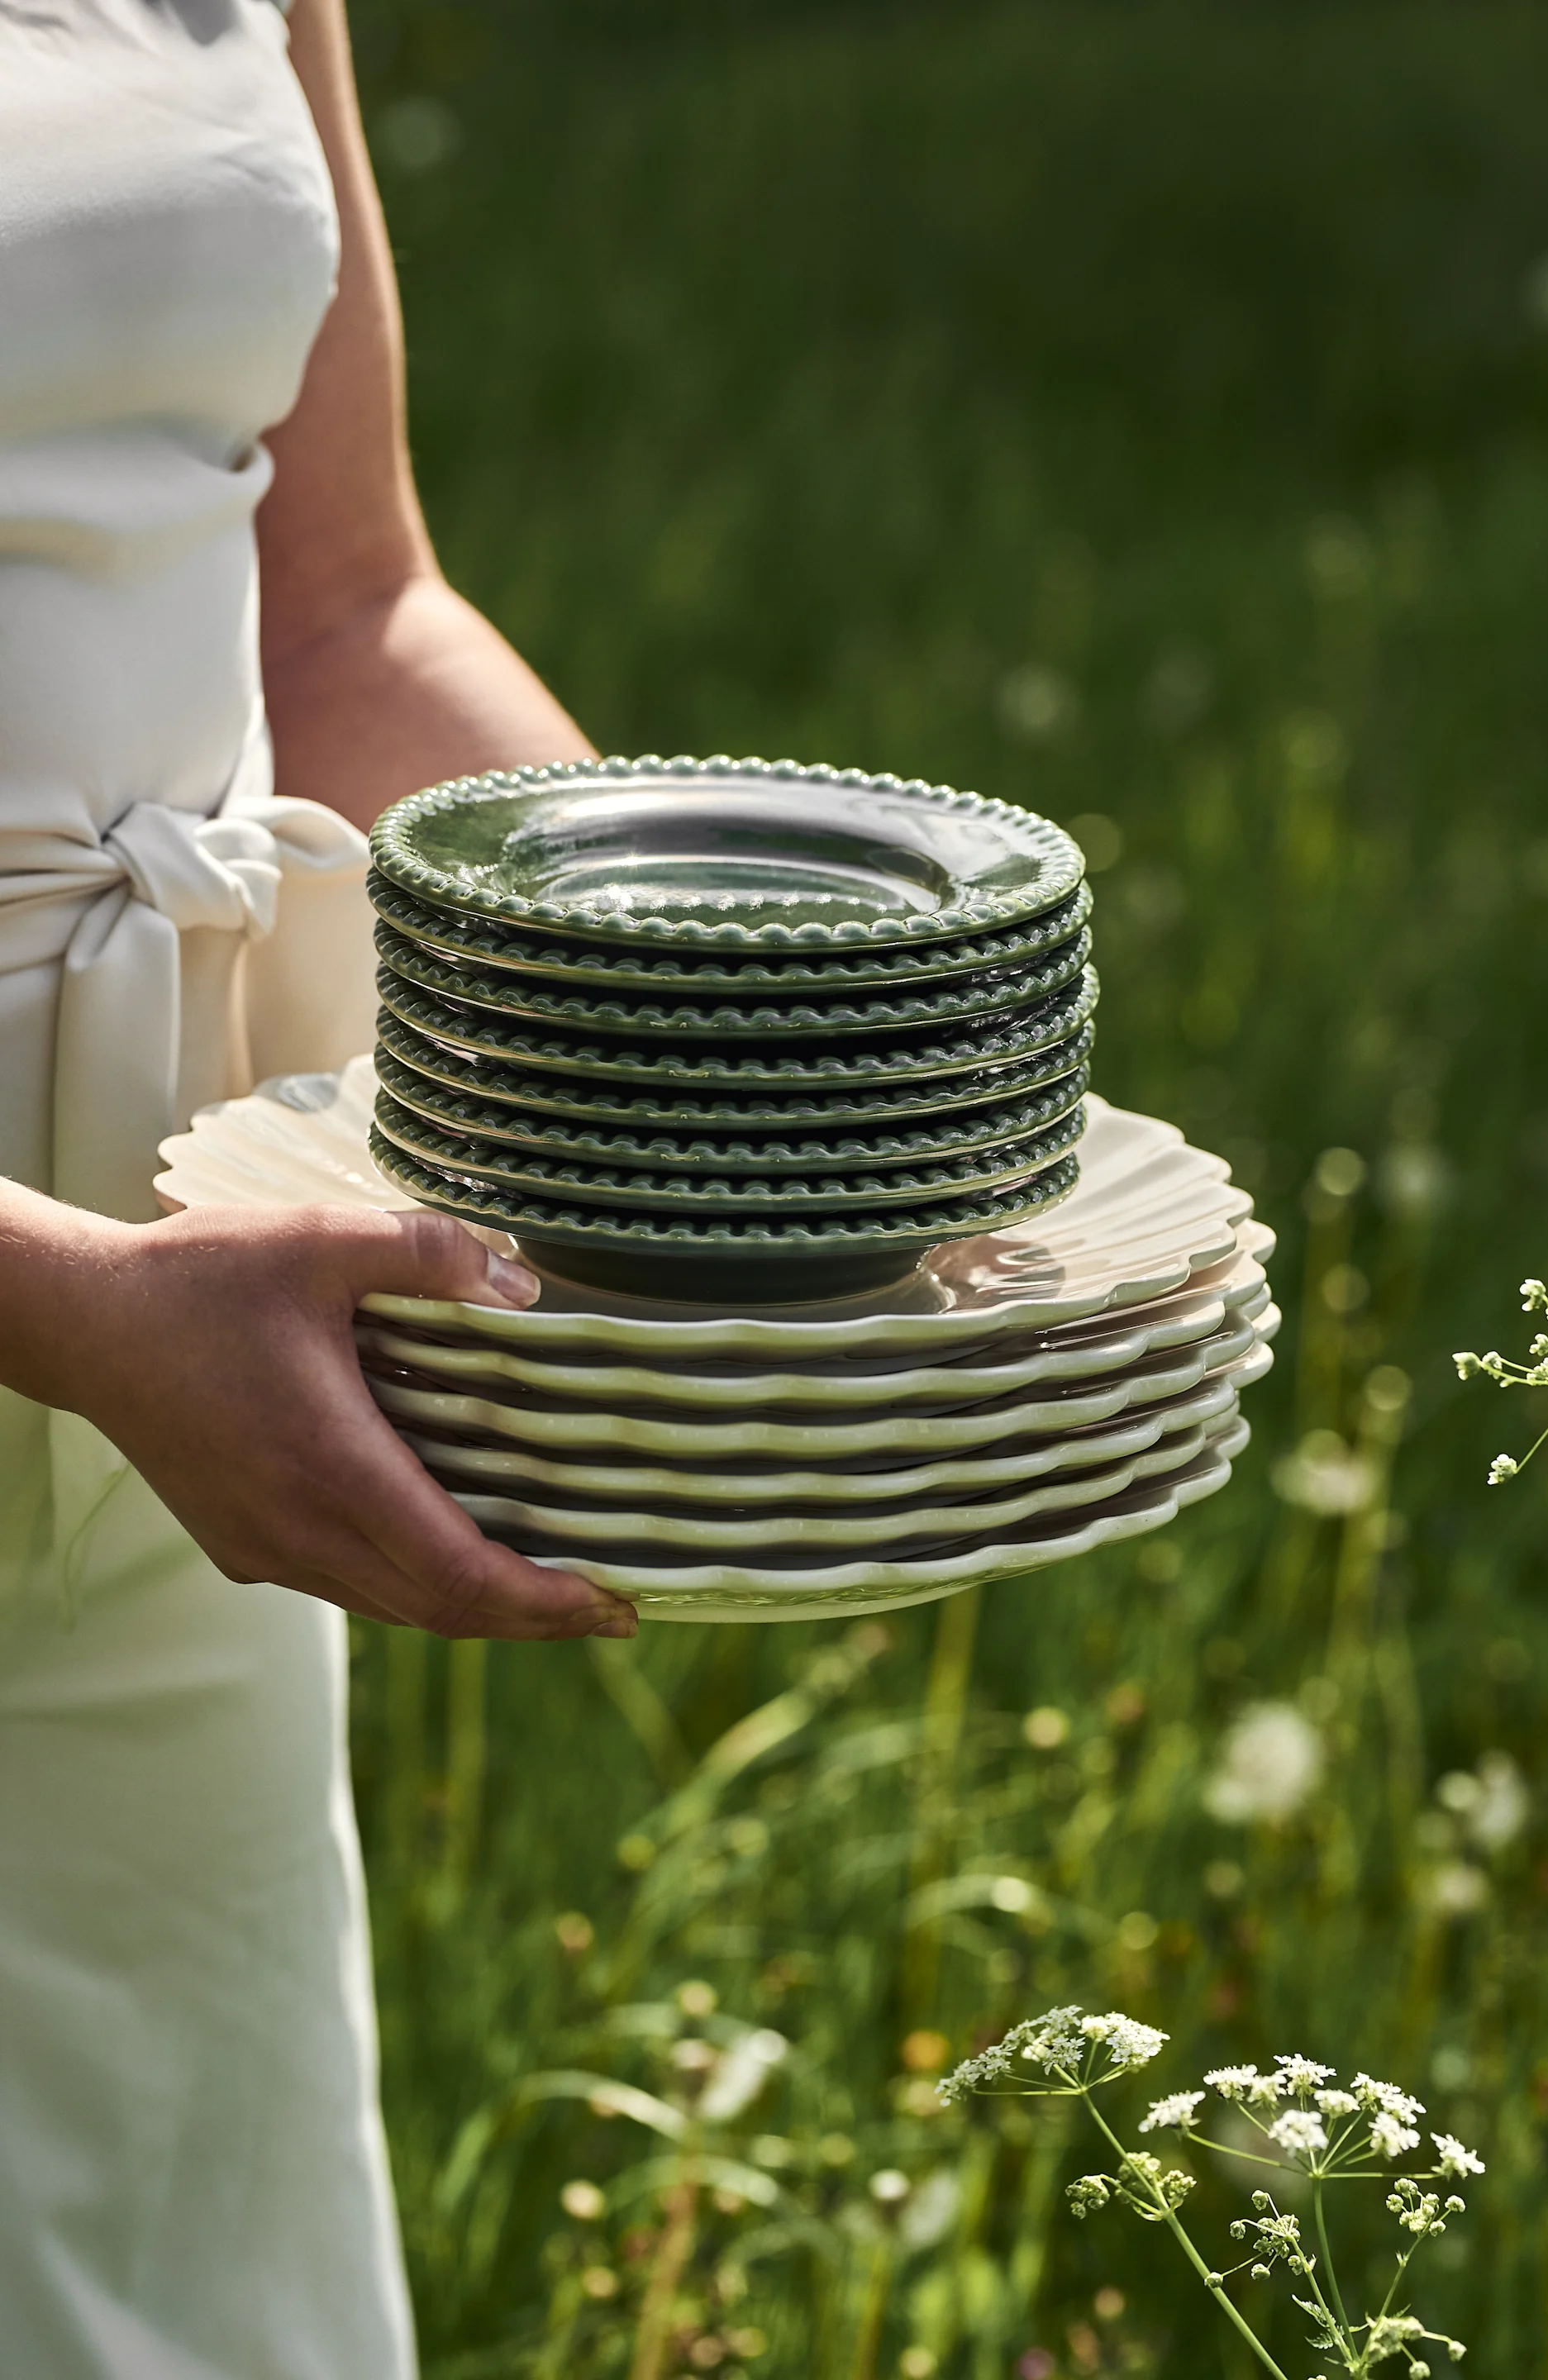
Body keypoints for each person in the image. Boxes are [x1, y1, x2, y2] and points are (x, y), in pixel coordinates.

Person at [0, 2, 637, 2370]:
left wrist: (743, 1082)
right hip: (131, 1328)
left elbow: (348, 599)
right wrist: (62, 1306)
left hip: (195, 1407)